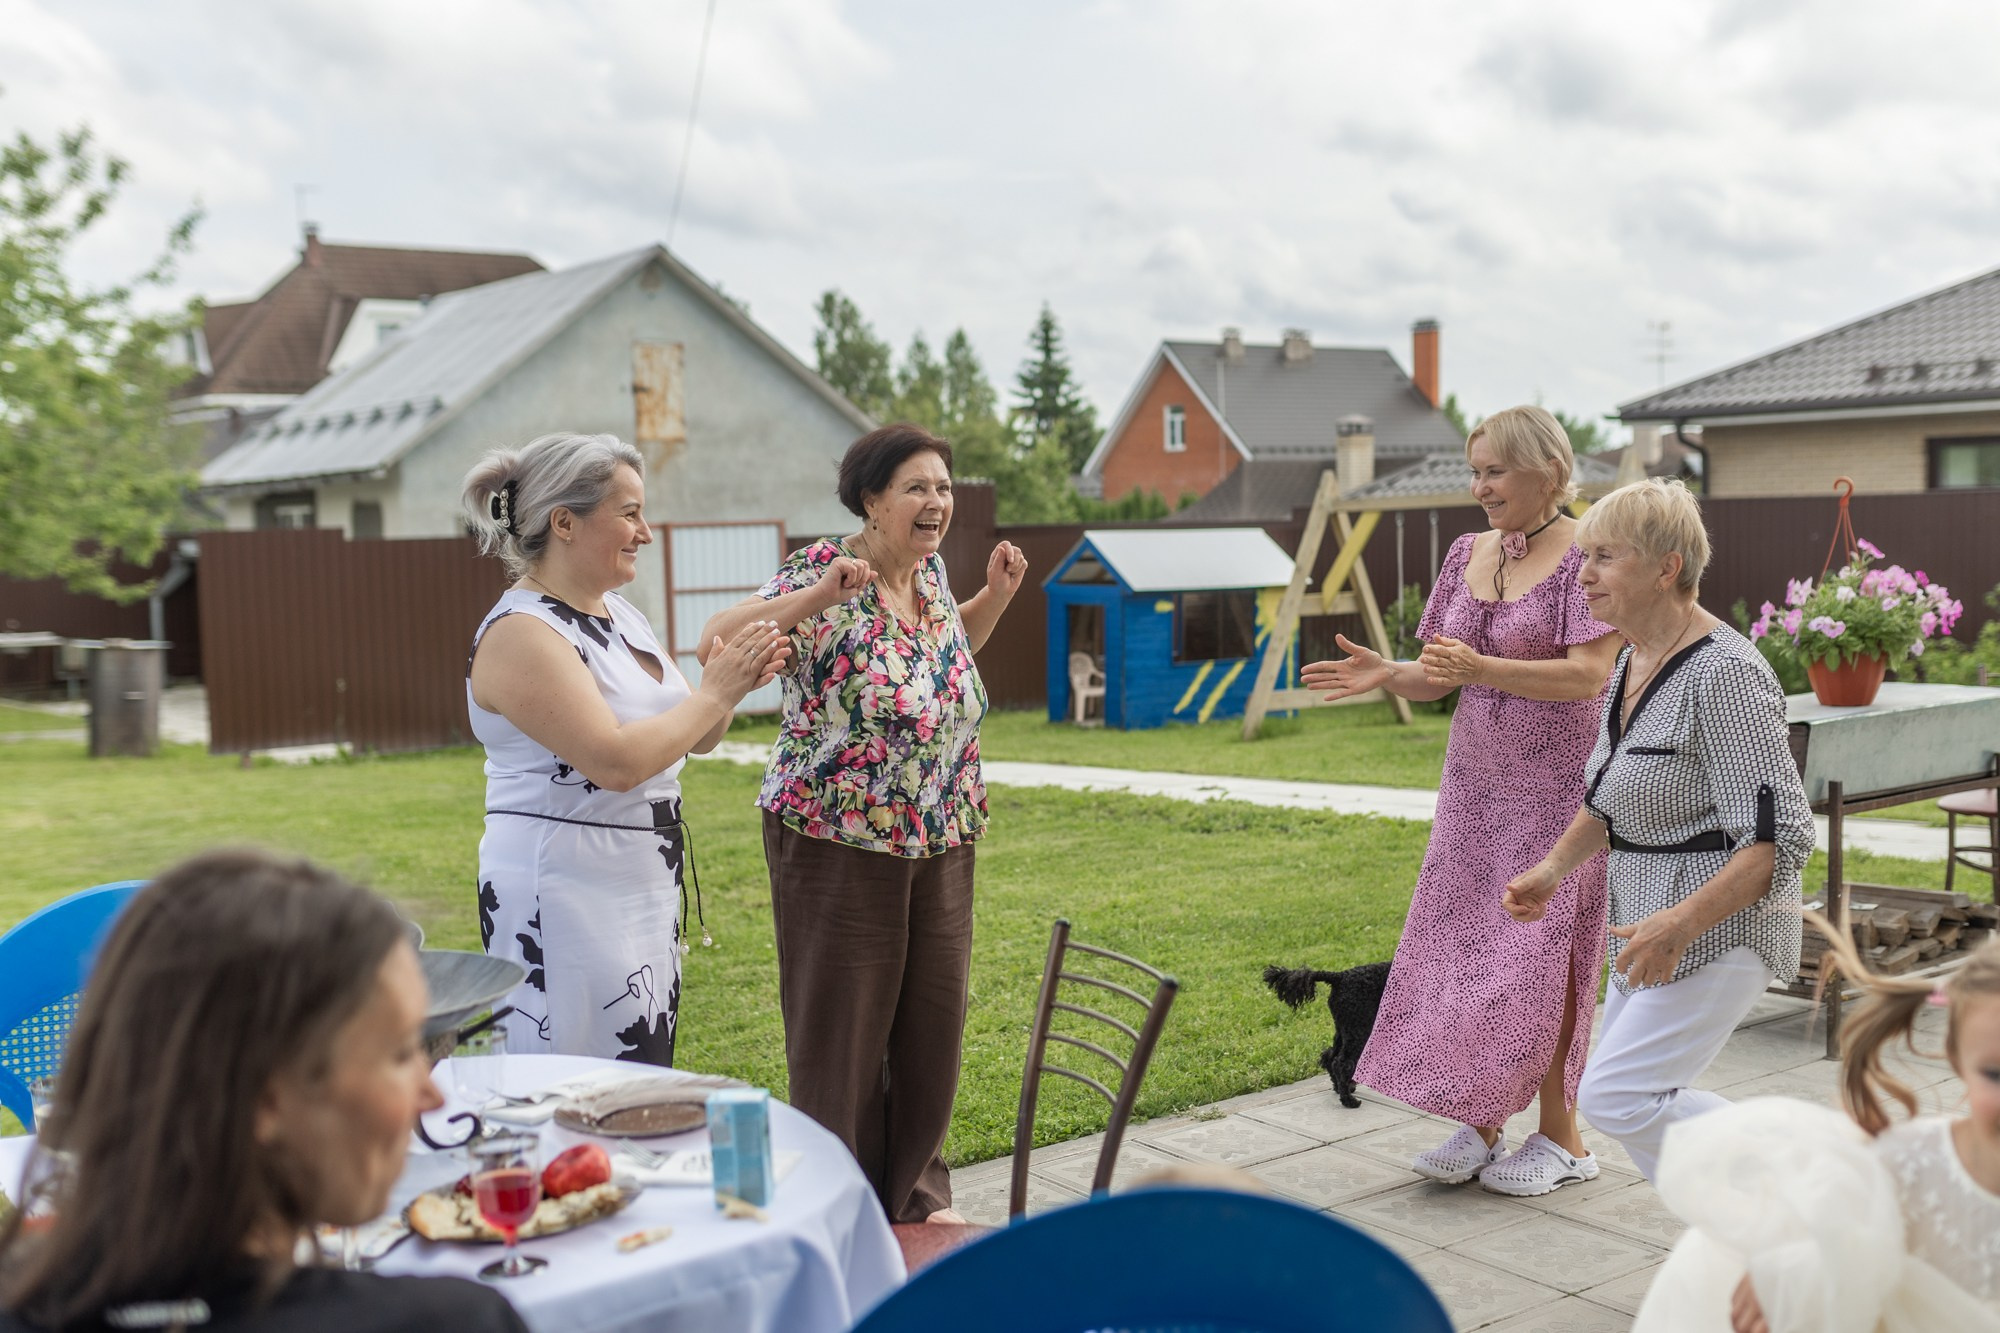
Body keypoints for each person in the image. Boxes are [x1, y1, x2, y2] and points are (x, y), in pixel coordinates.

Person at [698, 423, 1027, 1224]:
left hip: (941, 832)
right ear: (872, 499)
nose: (937, 501)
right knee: (842, 1037)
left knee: (930, 1027)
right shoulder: (823, 568)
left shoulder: (932, 575)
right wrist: (817, 599)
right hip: (838, 840)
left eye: (944, 487)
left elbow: (943, 662)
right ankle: (835, 1207)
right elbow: (715, 639)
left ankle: (913, 1199)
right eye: (918, 487)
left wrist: (995, 600)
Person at [0, 849, 527, 1332]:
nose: (431, 1095)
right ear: (267, 1099)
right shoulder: (450, 1322)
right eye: (398, 1054)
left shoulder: (25, 1302)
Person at [1308, 405, 1622, 1197]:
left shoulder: (1588, 553)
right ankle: (1482, 1119)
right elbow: (1443, 671)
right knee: (1466, 957)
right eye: (1474, 470)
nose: (1480, 486)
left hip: (1556, 798)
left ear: (1548, 471)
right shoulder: (1464, 552)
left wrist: (1480, 667)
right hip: (1473, 794)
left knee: (1540, 964)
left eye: (1495, 472)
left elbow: (1589, 675)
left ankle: (1565, 1139)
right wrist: (1391, 673)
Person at [1504, 478, 1814, 1184]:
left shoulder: (1728, 673)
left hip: (1722, 927)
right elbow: (1612, 797)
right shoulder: (1631, 662)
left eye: (1604, 557)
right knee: (1632, 1101)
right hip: (1645, 920)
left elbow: (1782, 836)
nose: (1582, 574)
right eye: (1583, 557)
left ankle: (1797, 1167)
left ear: (1667, 566)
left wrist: (1678, 923)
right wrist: (1553, 870)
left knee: (1617, 1096)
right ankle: (1743, 1230)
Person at [462, 433, 787, 1065]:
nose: (646, 530)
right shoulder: (521, 633)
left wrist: (733, 682)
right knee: (572, 1083)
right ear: (565, 522)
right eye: (630, 512)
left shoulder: (622, 616)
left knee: (634, 1078)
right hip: (563, 889)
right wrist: (713, 692)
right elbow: (614, 763)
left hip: (636, 884)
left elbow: (697, 734)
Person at [1631, 929, 2000, 1330]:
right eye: (1995, 1073)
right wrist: (1786, 1274)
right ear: (1957, 1058)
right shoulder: (1911, 1163)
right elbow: (1827, 1226)